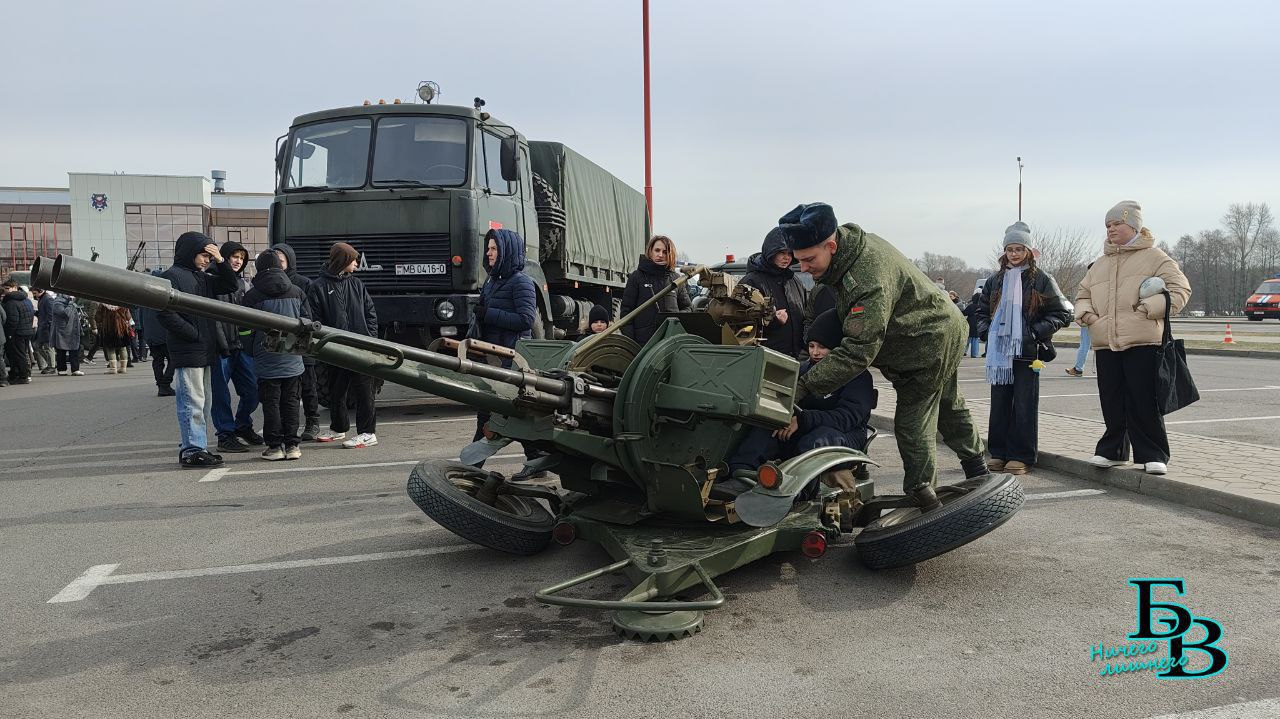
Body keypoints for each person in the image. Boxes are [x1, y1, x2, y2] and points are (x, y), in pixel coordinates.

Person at [778, 202, 988, 509]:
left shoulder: (866, 276)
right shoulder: (846, 255)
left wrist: (805, 385)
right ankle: (978, 471)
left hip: (928, 343)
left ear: (831, 245)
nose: (804, 268)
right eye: (799, 261)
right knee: (947, 403)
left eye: (809, 259)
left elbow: (858, 350)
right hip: (930, 335)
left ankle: (923, 501)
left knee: (912, 422)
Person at [1075, 201, 1191, 476]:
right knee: (1112, 399)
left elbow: (1180, 289)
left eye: (1116, 224)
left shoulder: (1156, 257)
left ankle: (1153, 453)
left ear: (1134, 226)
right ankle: (1112, 451)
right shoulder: (1100, 263)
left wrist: (1151, 308)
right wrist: (1088, 316)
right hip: (1106, 341)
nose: (1111, 229)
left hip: (1143, 340)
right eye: (1108, 225)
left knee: (1143, 398)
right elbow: (1082, 295)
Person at [725, 309, 876, 481]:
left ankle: (792, 493)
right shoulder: (803, 369)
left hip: (845, 435)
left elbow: (847, 418)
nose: (815, 353)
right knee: (766, 427)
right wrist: (782, 418)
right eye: (811, 346)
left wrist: (802, 420)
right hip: (803, 427)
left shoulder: (858, 376)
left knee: (815, 442)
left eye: (822, 347)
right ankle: (739, 475)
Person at [974, 222, 1073, 476]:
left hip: (1028, 352)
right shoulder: (995, 280)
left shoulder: (1042, 280)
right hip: (999, 353)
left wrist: (1032, 333)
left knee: (1024, 405)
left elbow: (1062, 312)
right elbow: (981, 311)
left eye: (1019, 249)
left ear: (1028, 251)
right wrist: (986, 331)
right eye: (1010, 249)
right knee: (999, 404)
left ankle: (1022, 455)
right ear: (1004, 252)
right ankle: (998, 453)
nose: (1014, 254)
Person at [158, 231, 240, 469]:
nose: (206, 260)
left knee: (203, 403)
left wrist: (221, 260)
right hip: (189, 349)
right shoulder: (171, 276)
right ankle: (193, 450)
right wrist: (193, 334)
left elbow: (229, 284)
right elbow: (164, 312)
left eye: (208, 256)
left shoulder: (202, 277)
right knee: (191, 402)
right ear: (189, 253)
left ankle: (197, 446)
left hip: (205, 349)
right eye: (203, 255)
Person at [468, 229, 543, 477]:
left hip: (511, 359)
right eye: (488, 248)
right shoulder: (493, 281)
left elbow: (525, 320)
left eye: (494, 249)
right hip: (494, 357)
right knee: (514, 415)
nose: (488, 253)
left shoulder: (522, 282)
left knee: (489, 412)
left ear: (507, 251)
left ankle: (472, 467)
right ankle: (537, 461)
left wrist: (487, 314)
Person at [307, 242, 379, 449]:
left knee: (365, 391)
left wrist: (370, 339)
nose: (357, 263)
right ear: (343, 261)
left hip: (361, 347)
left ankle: (367, 433)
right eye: (353, 259)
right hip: (335, 349)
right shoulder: (318, 287)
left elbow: (370, 313)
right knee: (336, 391)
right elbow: (316, 319)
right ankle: (339, 428)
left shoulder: (357, 284)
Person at [242, 250, 308, 461]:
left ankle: (274, 446)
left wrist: (252, 350)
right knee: (291, 402)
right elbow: (307, 322)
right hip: (293, 357)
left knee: (271, 403)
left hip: (265, 358)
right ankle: (292, 445)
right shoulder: (296, 291)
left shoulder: (252, 295)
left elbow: (244, 330)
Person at [208, 241, 262, 453]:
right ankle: (225, 435)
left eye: (242, 257)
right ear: (224, 257)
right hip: (220, 348)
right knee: (221, 395)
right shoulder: (210, 280)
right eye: (235, 256)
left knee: (253, 390)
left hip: (241, 347)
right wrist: (220, 344)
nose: (238, 261)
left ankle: (242, 425)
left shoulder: (243, 284)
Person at [273, 243, 321, 440]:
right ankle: (286, 426)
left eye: (281, 261)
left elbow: (311, 313)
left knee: (309, 385)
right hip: (280, 344)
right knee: (286, 391)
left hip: (303, 341)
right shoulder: (269, 284)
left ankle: (312, 421)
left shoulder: (304, 283)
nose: (278, 265)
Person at [739, 227, 809, 359]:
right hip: (766, 357)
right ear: (771, 252)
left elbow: (806, 313)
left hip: (798, 356)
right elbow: (740, 323)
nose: (786, 258)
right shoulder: (751, 281)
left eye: (789, 253)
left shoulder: (794, 280)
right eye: (781, 252)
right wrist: (773, 321)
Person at [619, 235, 691, 346]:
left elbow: (688, 308)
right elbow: (626, 312)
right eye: (657, 250)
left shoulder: (677, 279)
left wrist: (676, 319)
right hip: (642, 344)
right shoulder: (636, 277)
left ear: (670, 255)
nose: (660, 255)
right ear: (650, 252)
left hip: (671, 341)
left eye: (665, 252)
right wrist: (631, 342)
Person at [137, 271, 175, 395]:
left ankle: (160, 385)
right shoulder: (164, 295)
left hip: (151, 336)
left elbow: (141, 316)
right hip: (164, 334)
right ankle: (165, 384)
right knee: (173, 360)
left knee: (157, 361)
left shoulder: (144, 297)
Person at [2, 280, 35, 385]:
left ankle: (22, 376)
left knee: (17, 355)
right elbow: (31, 315)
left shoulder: (10, 302)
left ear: (13, 288)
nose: (5, 291)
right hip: (27, 331)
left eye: (7, 288)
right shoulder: (26, 300)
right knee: (23, 354)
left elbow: (12, 320)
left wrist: (10, 333)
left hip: (16, 333)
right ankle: (19, 374)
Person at [1066, 262, 1096, 377]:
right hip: (1093, 318)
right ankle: (1078, 368)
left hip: (1090, 318)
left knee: (1085, 345)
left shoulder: (1090, 285)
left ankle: (1078, 368)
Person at [49, 292, 85, 376]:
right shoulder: (57, 303)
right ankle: (62, 369)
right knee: (61, 350)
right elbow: (65, 314)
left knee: (74, 350)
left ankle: (75, 369)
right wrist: (71, 304)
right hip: (62, 331)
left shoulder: (69, 302)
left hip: (72, 330)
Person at [94, 303, 134, 374]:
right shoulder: (121, 302)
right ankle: (123, 368)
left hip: (108, 328)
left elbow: (98, 317)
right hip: (122, 329)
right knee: (123, 347)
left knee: (110, 348)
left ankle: (113, 369)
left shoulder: (103, 304)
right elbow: (129, 317)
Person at [31, 287, 56, 375]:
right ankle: (51, 364)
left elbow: (51, 315)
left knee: (48, 347)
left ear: (40, 291)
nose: (34, 295)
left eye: (35, 293)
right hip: (43, 326)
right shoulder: (43, 298)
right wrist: (35, 313)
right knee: (38, 346)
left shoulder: (47, 299)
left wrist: (49, 326)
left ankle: (52, 366)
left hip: (46, 327)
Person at [961, 290, 983, 358]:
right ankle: (974, 354)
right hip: (978, 323)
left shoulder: (971, 306)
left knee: (967, 338)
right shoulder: (981, 307)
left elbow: (964, 313)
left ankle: (963, 352)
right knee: (975, 340)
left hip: (970, 323)